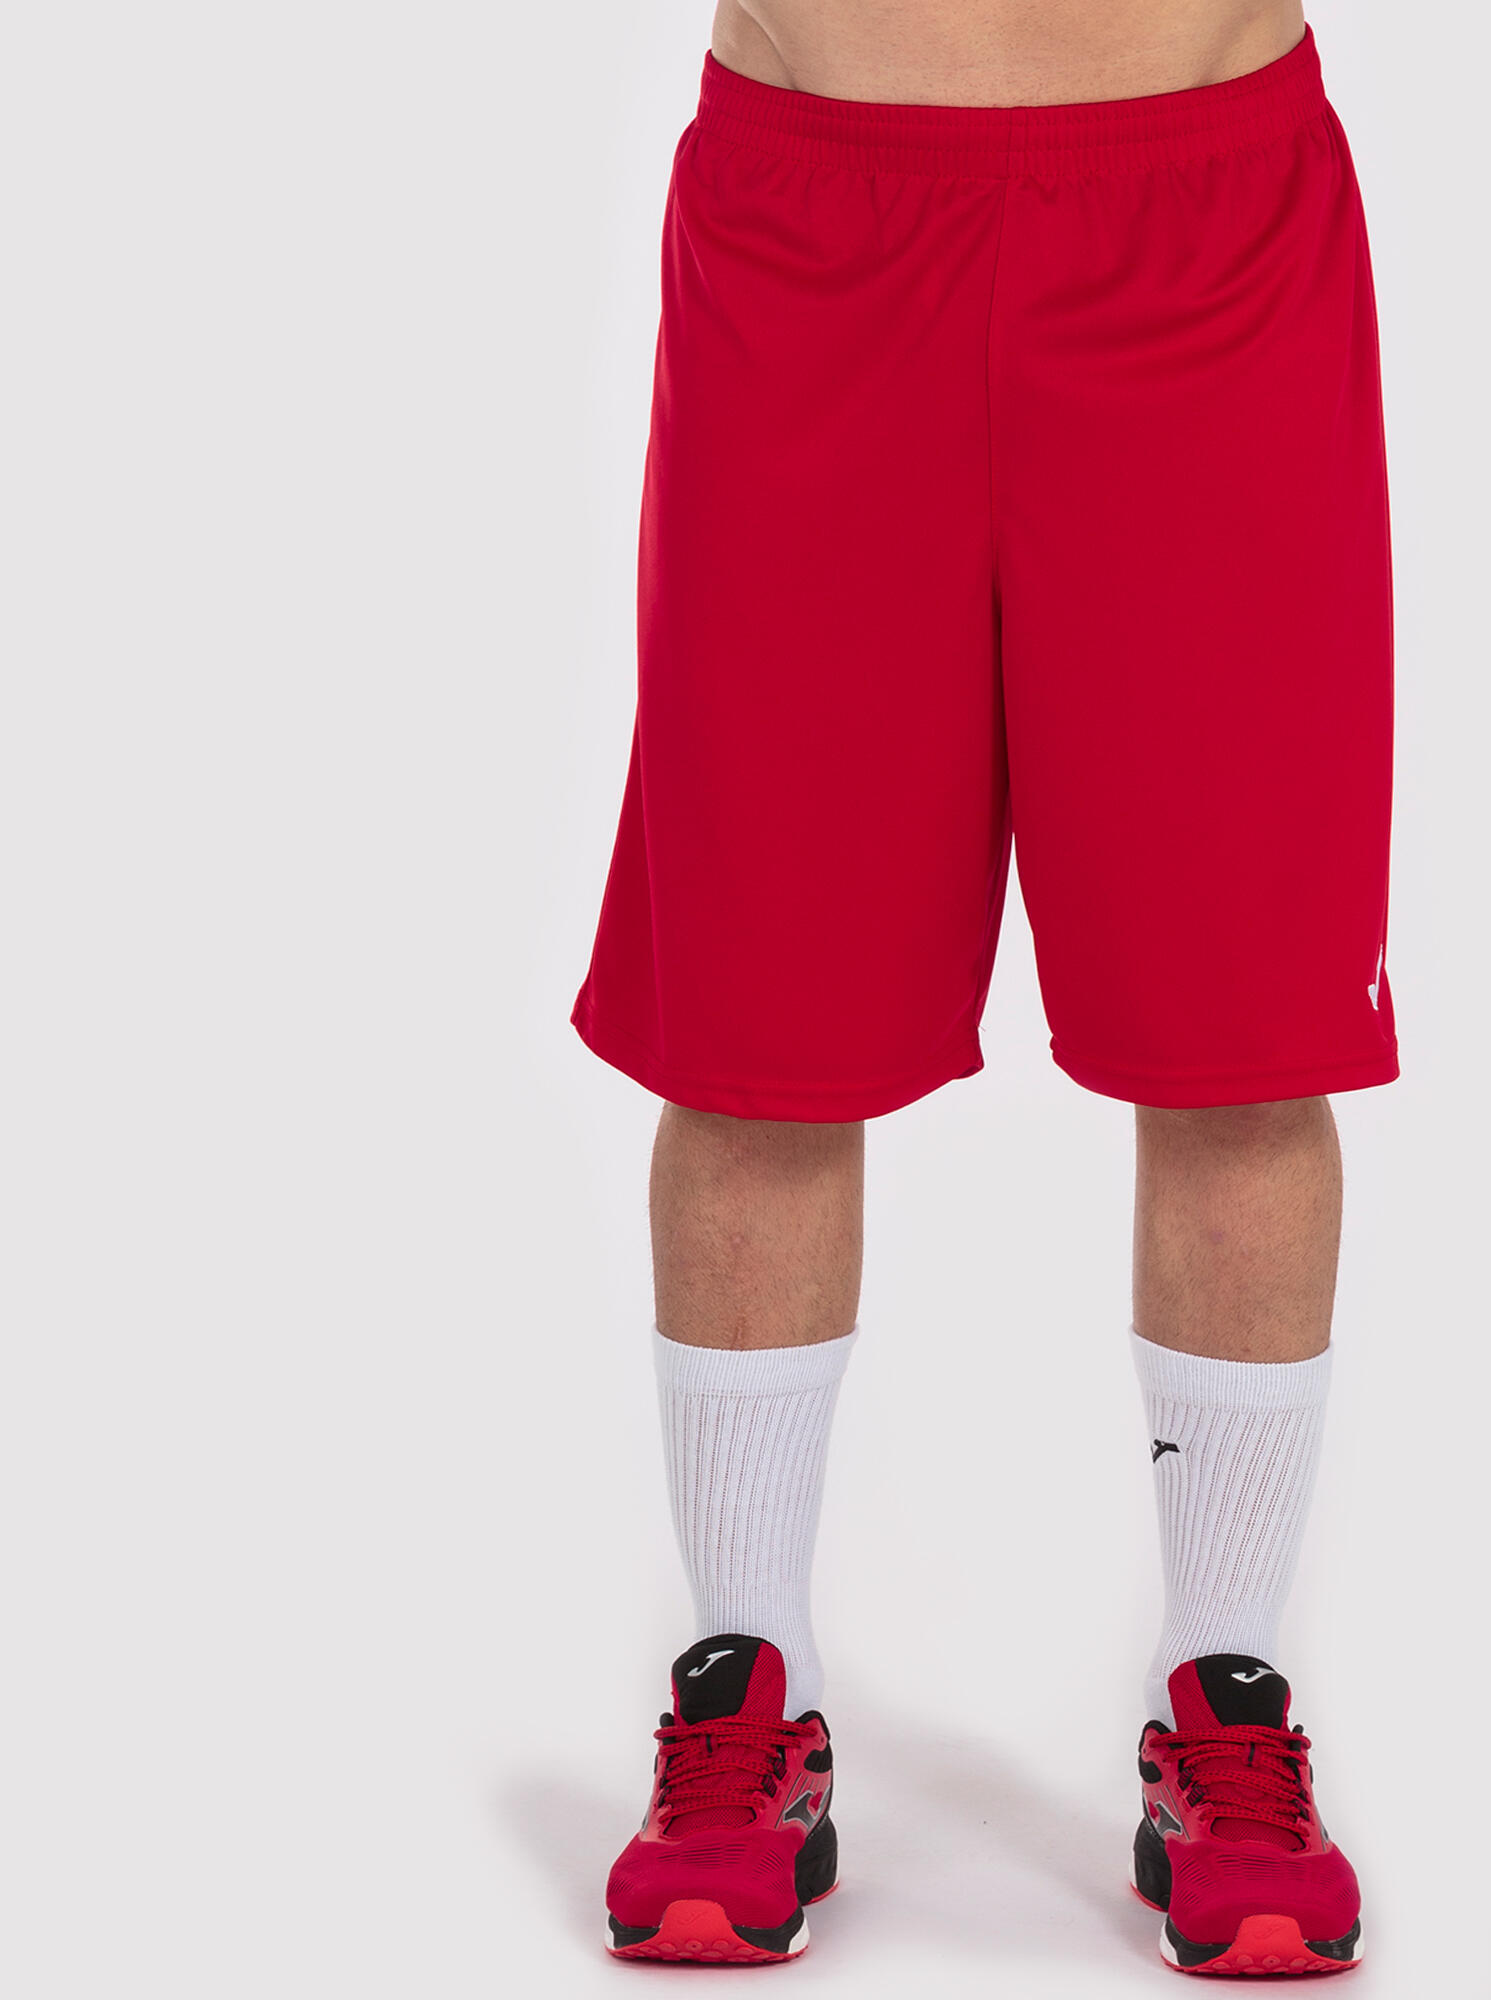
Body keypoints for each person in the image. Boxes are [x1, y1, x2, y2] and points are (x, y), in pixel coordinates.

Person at [571, 0, 1396, 1974]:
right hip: (815, 214)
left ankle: (1230, 1692)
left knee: (1241, 1021)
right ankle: (744, 1680)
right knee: (757, 1014)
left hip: (1203, 216)